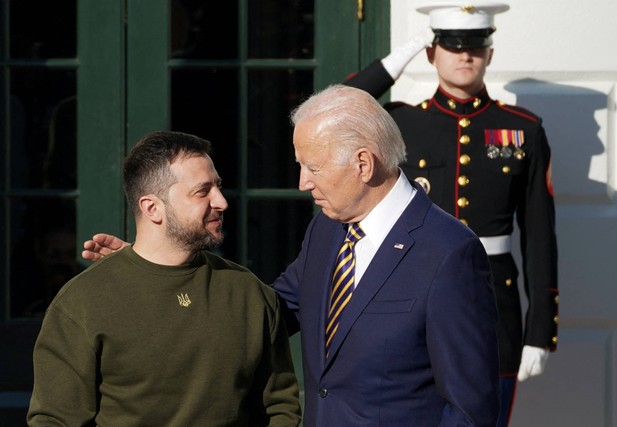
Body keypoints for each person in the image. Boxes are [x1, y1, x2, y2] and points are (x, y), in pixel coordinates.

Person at [83, 86, 500, 426]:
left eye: (312, 167)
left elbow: (469, 410)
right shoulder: (328, 227)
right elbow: (268, 313)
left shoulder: (448, 253)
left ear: (363, 164)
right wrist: (157, 272)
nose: (302, 182)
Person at [343, 2, 559, 426]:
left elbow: (539, 235)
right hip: (411, 298)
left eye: (476, 47)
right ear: (431, 52)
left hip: (492, 307)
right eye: (452, 45)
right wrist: (400, 55)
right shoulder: (400, 123)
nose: (465, 55)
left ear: (490, 54)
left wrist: (540, 331)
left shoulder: (522, 129)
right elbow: (343, 105)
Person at [28, 131, 301, 426]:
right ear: (152, 208)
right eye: (202, 191)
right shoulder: (81, 302)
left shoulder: (249, 292)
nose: (221, 201)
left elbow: (280, 408)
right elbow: (54, 420)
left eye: (218, 187)